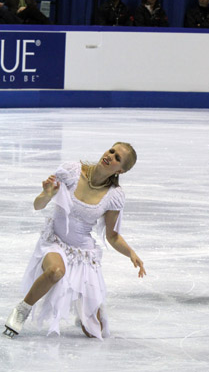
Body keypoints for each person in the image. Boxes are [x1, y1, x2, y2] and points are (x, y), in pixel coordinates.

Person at [3, 143, 146, 340]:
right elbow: (38, 205)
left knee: (94, 331)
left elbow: (112, 236)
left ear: (120, 170)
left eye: (117, 158)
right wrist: (46, 194)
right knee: (56, 272)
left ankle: (85, 310)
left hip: (83, 254)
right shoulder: (71, 172)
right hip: (55, 241)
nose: (110, 156)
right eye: (112, 151)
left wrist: (131, 253)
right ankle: (22, 310)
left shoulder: (114, 196)